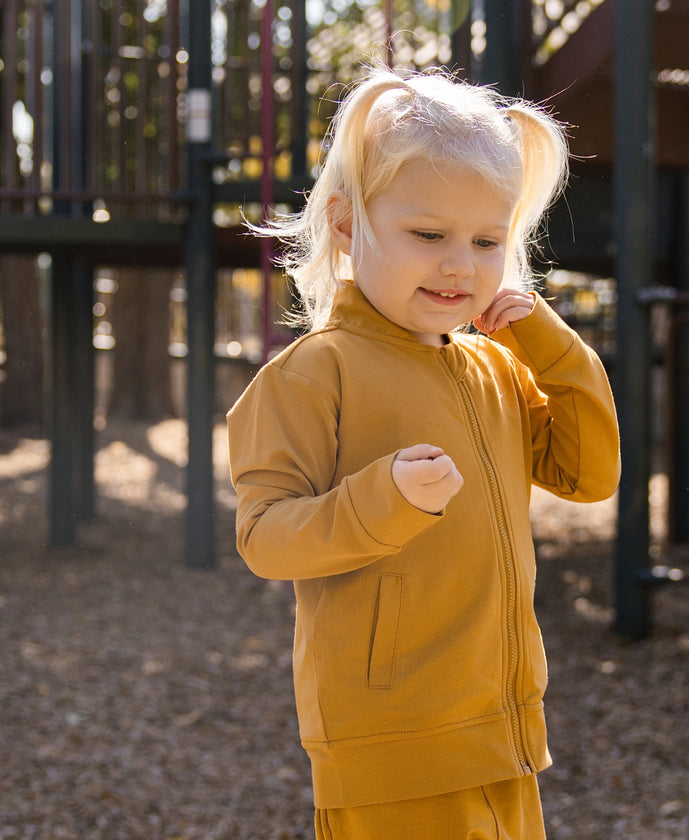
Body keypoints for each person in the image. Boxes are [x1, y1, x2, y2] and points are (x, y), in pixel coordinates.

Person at [227, 64, 620, 840]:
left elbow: (590, 472)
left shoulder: (498, 366)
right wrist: (386, 501)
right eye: (428, 235)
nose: (460, 265)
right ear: (345, 225)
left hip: (504, 735)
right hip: (391, 745)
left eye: (486, 241)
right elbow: (264, 537)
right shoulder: (312, 373)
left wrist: (548, 340)